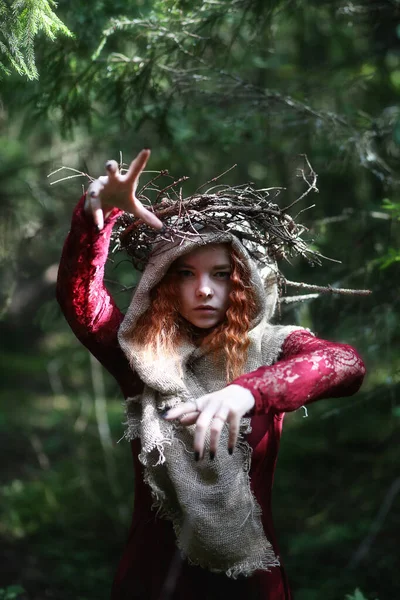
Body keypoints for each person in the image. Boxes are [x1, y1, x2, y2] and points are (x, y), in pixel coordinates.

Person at [56, 149, 366, 600]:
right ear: (164, 281)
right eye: (186, 273)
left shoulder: (276, 348)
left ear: (242, 280)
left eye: (221, 274)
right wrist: (93, 218)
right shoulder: (141, 355)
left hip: (253, 585)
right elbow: (82, 301)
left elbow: (346, 365)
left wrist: (248, 392)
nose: (204, 289)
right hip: (152, 584)